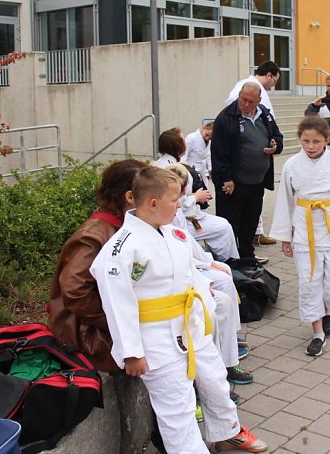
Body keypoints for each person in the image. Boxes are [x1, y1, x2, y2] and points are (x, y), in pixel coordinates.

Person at [90, 166, 267, 453]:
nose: (181, 205)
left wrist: (205, 314)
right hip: (155, 339)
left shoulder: (175, 235)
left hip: (190, 326)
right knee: (178, 411)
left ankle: (227, 433)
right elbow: (116, 303)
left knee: (216, 382)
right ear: (153, 203)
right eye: (175, 200)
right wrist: (131, 352)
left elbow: (191, 277)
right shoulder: (120, 249)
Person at [49, 159, 164, 453]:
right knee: (156, 349)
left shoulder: (122, 227)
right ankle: (162, 435)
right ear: (130, 196)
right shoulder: (95, 234)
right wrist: (117, 321)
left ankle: (173, 427)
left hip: (103, 324)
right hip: (87, 332)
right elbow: (74, 290)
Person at [271, 116, 330, 356]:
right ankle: (317, 331)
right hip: (304, 230)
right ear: (299, 139)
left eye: (316, 141)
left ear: (327, 139)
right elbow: (285, 202)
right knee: (310, 283)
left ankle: (327, 312)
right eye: (305, 141)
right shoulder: (291, 165)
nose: (310, 146)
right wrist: (285, 237)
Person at [164, 163, 254, 387]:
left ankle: (229, 348)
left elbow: (188, 244)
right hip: (176, 286)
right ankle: (221, 363)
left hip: (191, 267)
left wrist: (210, 262)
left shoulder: (174, 214)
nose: (180, 201)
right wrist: (202, 279)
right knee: (219, 294)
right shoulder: (160, 220)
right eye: (176, 197)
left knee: (225, 278)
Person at [211, 82, 283, 266]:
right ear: (239, 96)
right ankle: (228, 259)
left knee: (250, 221)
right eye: (243, 99)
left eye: (251, 101)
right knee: (230, 224)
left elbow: (278, 137)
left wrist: (275, 145)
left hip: (257, 182)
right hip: (233, 184)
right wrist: (226, 178)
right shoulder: (226, 117)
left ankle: (247, 257)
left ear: (259, 100)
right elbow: (219, 153)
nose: (246, 104)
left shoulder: (265, 115)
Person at [155, 128, 239, 262]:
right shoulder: (174, 170)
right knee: (223, 227)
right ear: (179, 146)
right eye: (183, 140)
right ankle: (231, 264)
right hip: (179, 221)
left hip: (180, 216)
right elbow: (173, 201)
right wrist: (196, 197)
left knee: (221, 226)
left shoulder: (159, 164)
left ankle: (224, 262)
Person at [225, 61, 281, 246]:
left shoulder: (259, 94)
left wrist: (275, 142)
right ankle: (240, 246)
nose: (273, 86)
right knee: (241, 211)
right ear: (269, 75)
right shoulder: (247, 89)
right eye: (274, 81)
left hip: (258, 168)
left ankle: (254, 236)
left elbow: (273, 128)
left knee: (254, 207)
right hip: (241, 169)